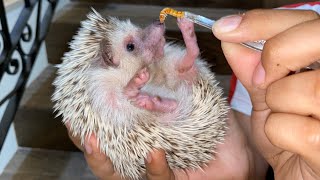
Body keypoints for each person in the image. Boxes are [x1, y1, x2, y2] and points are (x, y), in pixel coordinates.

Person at [66, 2, 320, 179]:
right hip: (170, 110)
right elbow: (257, 140)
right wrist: (247, 166)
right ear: (108, 60)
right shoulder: (275, 42)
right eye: (132, 46)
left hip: (171, 105)